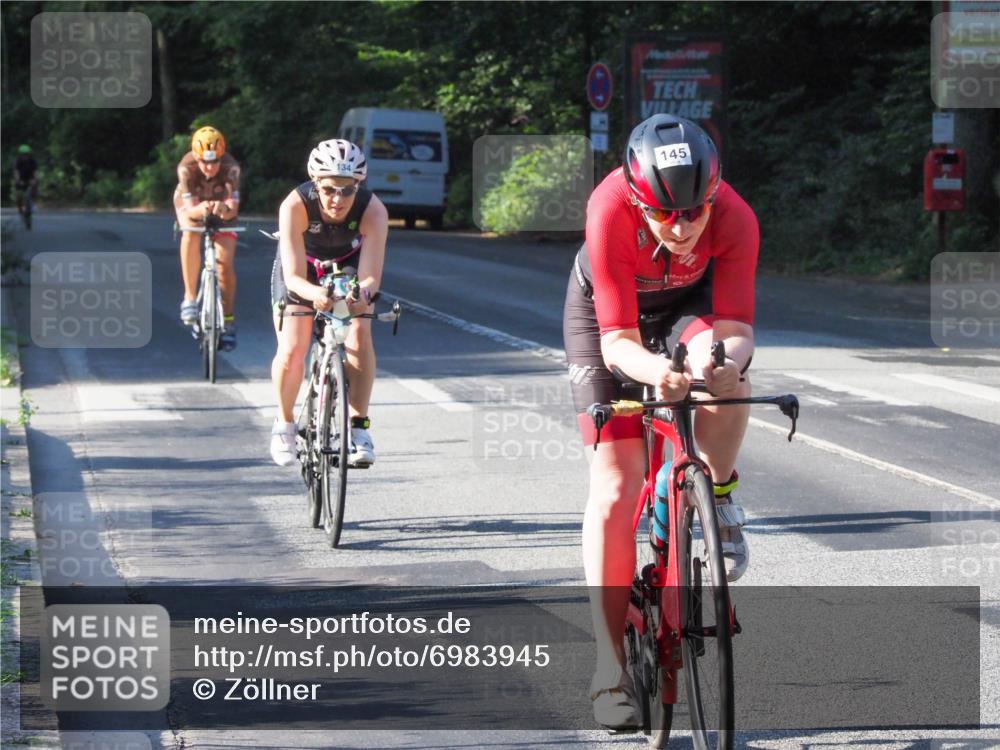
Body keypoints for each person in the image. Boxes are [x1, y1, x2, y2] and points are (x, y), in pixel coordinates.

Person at [562, 114, 759, 729]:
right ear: (635, 195)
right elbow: (619, 342)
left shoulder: (734, 216)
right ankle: (607, 667)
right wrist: (655, 374)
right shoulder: (609, 212)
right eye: (666, 214)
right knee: (617, 485)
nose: (682, 227)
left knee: (725, 378)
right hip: (607, 322)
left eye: (695, 211)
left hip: (685, 308)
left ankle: (718, 498)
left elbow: (735, 328)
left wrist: (723, 368)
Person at [269, 139, 388, 468]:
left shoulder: (373, 210)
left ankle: (359, 427)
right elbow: (292, 277)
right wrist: (316, 295)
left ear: (358, 186)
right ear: (315, 183)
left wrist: (358, 296)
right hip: (302, 271)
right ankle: (285, 424)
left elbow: (370, 278)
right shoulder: (295, 205)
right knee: (293, 347)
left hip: (348, 265)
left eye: (347, 190)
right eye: (330, 189)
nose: (338, 198)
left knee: (360, 332)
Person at [174, 126, 241, 350]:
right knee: (190, 232)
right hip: (193, 204)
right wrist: (201, 208)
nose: (210, 167)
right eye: (204, 161)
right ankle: (190, 297)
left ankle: (228, 320)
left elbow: (233, 209)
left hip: (219, 204)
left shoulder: (231, 168)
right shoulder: (186, 168)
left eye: (215, 162)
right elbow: (190, 210)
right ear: (196, 157)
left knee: (224, 265)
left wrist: (224, 208)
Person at [12, 144, 38, 229]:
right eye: (23, 154)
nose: (25, 156)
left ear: (29, 154)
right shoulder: (17, 162)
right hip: (20, 181)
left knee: (32, 191)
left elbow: (35, 173)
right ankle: (21, 212)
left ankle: (32, 204)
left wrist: (34, 180)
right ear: (20, 155)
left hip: (30, 180)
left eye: (26, 154)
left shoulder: (33, 161)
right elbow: (16, 173)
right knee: (18, 198)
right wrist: (18, 180)